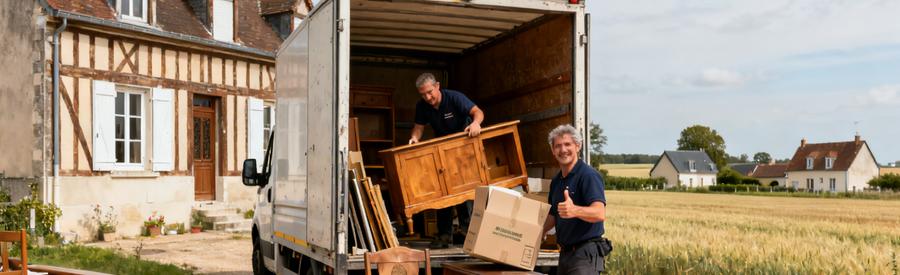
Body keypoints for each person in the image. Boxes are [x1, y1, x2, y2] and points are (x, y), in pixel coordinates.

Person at [409, 72, 484, 248]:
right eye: (423, 94)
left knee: (463, 191)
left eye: (430, 92)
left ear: (437, 86)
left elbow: (477, 112)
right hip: (441, 151)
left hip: (463, 148)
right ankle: (444, 236)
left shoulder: (454, 97)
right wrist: (414, 138)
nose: (428, 98)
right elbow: (418, 127)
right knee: (441, 192)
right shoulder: (422, 106)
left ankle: (468, 234)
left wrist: (475, 123)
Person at [542, 124, 608, 274]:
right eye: (558, 146)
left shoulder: (588, 176)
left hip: (585, 255)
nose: (563, 150)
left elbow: (599, 213)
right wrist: (538, 231)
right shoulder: (556, 181)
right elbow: (553, 215)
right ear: (553, 151)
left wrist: (574, 210)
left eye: (567, 144)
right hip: (565, 255)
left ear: (578, 146)